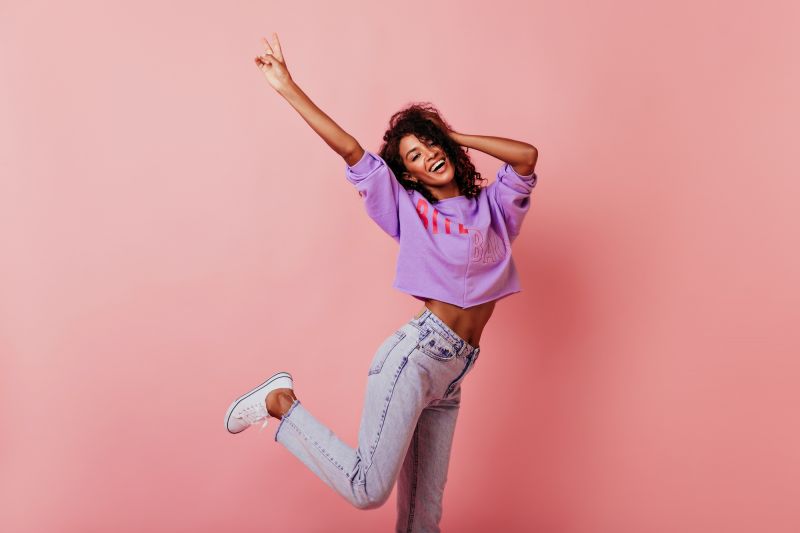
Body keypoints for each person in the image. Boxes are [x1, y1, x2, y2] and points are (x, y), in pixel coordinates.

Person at [224, 32, 539, 532]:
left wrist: (452, 136)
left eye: (430, 145)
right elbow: (350, 149)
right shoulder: (409, 211)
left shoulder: (496, 209)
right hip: (417, 356)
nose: (427, 156)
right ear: (408, 175)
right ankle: (279, 403)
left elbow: (525, 156)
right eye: (413, 156)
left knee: (422, 520)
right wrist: (287, 86)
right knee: (368, 489)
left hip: (454, 373)